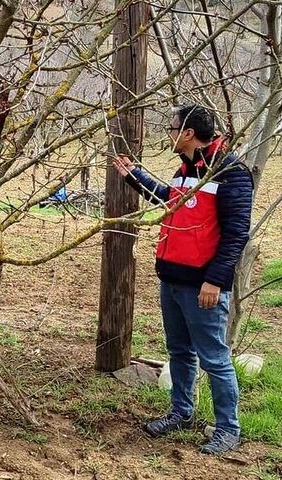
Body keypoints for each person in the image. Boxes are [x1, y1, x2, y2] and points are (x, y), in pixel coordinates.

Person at [113, 105, 253, 454]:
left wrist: (215, 281)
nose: (169, 133)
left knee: (214, 358)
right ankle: (182, 413)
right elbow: (171, 202)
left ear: (188, 133)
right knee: (179, 351)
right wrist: (134, 176)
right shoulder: (186, 169)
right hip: (172, 278)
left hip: (202, 285)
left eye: (173, 127)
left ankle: (228, 429)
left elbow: (236, 233)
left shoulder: (230, 171)